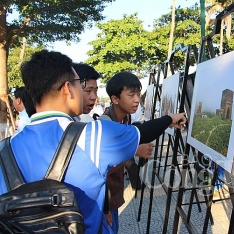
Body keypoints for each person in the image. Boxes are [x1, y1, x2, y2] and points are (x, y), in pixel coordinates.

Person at [0, 50, 186, 234]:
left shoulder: (4, 148)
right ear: (67, 89)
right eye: (80, 85)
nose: (86, 93)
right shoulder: (92, 134)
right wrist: (171, 118)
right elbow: (143, 132)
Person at [99, 72, 151, 233]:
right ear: (115, 99)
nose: (137, 99)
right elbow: (101, 168)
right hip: (103, 200)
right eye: (131, 95)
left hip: (113, 196)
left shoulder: (125, 118)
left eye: (138, 94)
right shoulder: (105, 124)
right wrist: (134, 151)